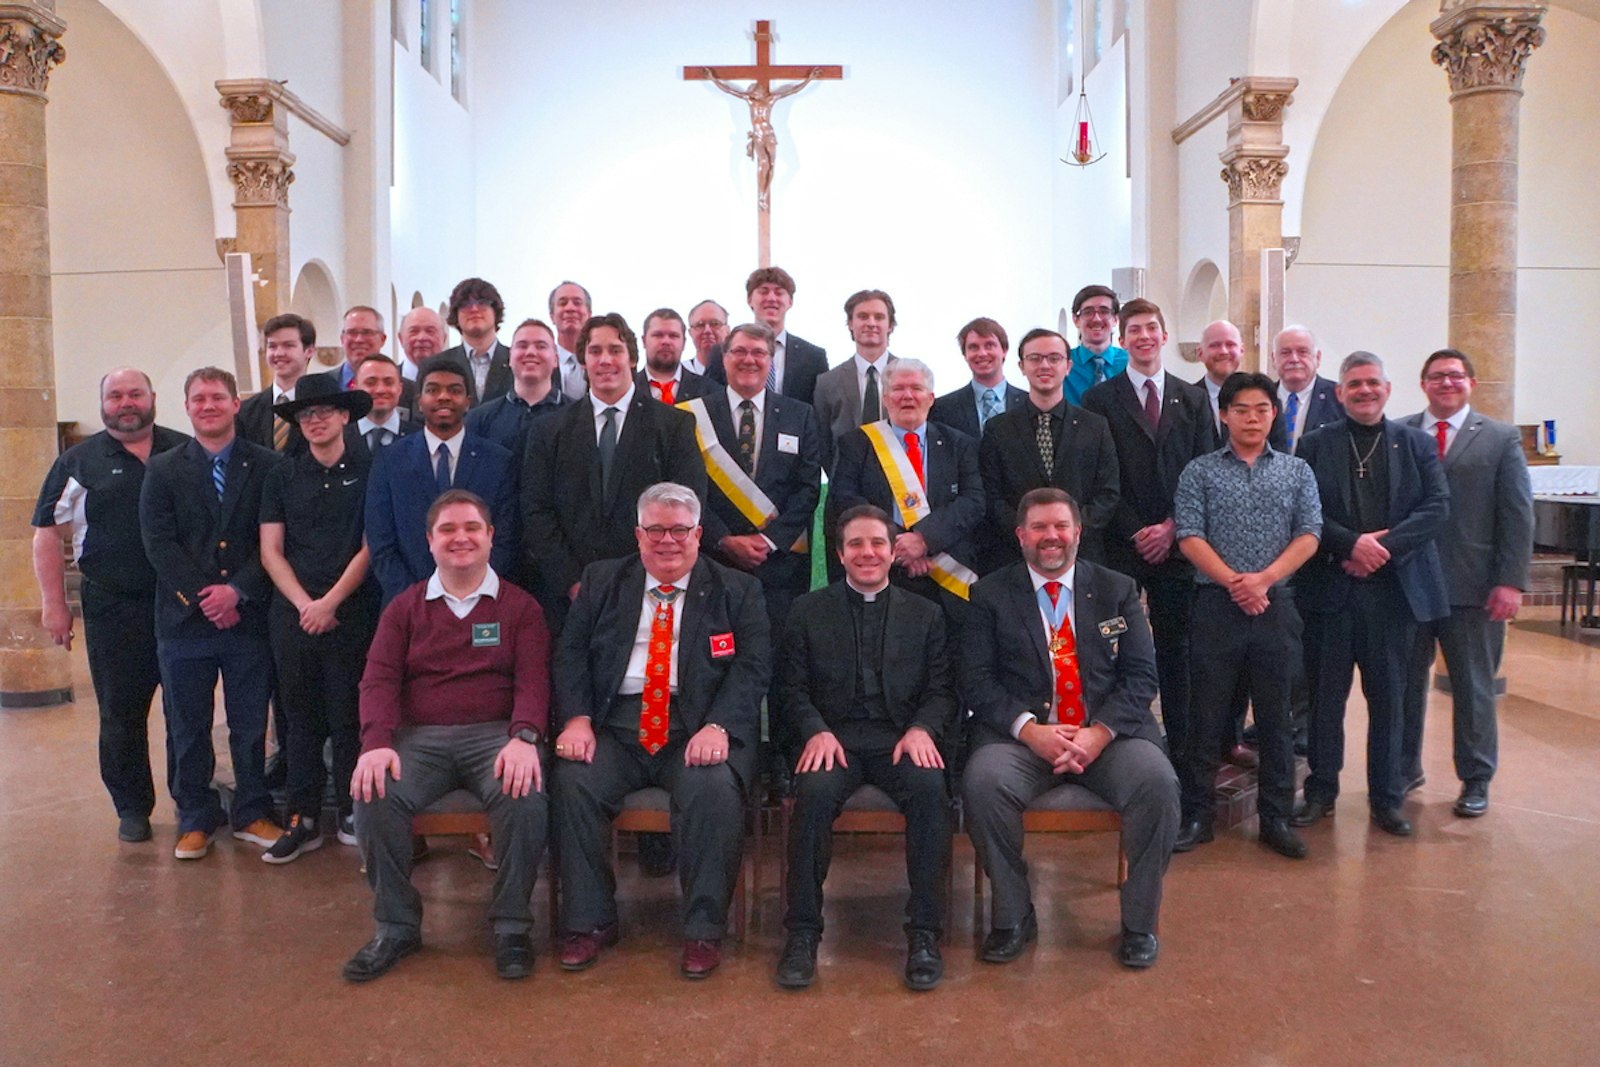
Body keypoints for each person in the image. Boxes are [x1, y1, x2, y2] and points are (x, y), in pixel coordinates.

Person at [551, 482, 769, 979]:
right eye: (655, 530)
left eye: (678, 530)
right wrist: (578, 718)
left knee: (712, 790)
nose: (666, 541)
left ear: (698, 534)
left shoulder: (737, 589)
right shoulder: (603, 580)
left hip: (697, 725)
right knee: (572, 781)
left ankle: (702, 930)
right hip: (616, 723)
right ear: (638, 533)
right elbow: (570, 655)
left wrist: (719, 725)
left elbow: (753, 667)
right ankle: (590, 922)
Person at [962, 488, 1180, 968]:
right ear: (1020, 535)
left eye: (1060, 526)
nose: (1051, 537)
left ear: (1078, 532)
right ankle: (1014, 915)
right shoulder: (988, 594)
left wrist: (1097, 733)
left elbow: (1141, 676)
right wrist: (1029, 730)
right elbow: (976, 682)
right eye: (1038, 527)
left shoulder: (1117, 589)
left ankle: (1139, 923)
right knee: (983, 782)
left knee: (1159, 784)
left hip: (1108, 735)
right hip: (1023, 738)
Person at [342, 490, 552, 983]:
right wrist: (375, 744)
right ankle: (396, 926)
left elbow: (535, 680)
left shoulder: (520, 607)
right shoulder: (404, 608)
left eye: (472, 528)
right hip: (420, 740)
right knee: (373, 795)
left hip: (496, 738)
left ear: (490, 537)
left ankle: (511, 926)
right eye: (448, 530)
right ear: (429, 542)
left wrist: (524, 736)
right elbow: (378, 679)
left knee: (525, 796)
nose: (461, 538)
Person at [775, 505, 957, 991]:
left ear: (893, 550)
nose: (867, 553)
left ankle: (924, 933)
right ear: (839, 553)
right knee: (811, 797)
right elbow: (790, 689)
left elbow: (942, 690)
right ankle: (803, 933)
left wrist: (922, 729)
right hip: (833, 740)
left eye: (877, 542)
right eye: (855, 544)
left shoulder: (927, 614)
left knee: (930, 792)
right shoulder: (807, 611)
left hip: (900, 739)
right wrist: (814, 729)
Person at [1292, 353, 1450, 838]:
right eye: (1354, 384)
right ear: (1339, 392)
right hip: (1331, 591)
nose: (1364, 391)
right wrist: (1349, 546)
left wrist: (1380, 548)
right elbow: (1303, 508)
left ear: (1387, 388)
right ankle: (1321, 789)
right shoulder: (1315, 444)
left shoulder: (1415, 443)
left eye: (1372, 383)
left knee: (1391, 701)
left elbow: (1437, 506)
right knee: (1325, 700)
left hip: (1393, 595)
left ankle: (1387, 796)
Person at [32, 368, 188, 842]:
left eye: (135, 393)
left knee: (186, 711)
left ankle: (192, 802)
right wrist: (54, 605)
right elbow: (46, 535)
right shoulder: (79, 461)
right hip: (112, 608)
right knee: (122, 714)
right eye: (116, 395)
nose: (126, 402)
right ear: (102, 404)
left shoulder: (183, 451)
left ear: (153, 398)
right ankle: (132, 808)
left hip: (181, 606)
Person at [1171, 371, 1321, 859]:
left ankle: (1275, 817)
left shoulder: (1297, 471)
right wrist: (1235, 582)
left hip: (1276, 605)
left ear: (1273, 413)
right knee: (1206, 716)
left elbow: (1310, 534)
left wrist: (1263, 580)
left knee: (1276, 718)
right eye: (1241, 410)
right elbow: (1189, 534)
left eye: (1261, 409)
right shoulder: (1199, 471)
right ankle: (1197, 814)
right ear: (1223, 415)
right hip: (1216, 605)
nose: (1251, 418)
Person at [139, 367, 285, 859]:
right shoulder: (162, 469)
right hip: (184, 623)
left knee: (249, 724)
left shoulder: (266, 465)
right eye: (199, 398)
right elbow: (159, 544)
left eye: (217, 397)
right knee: (188, 724)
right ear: (186, 407)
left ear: (235, 403)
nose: (208, 405)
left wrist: (237, 592)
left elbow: (273, 540)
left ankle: (252, 811)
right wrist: (205, 595)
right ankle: (195, 817)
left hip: (248, 620)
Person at [1082, 299, 1217, 767]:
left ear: (1164, 336)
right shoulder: (1099, 400)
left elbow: (1204, 473)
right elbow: (1100, 476)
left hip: (1181, 547)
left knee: (1177, 653)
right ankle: (1116, 748)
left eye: (1151, 328)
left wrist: (1172, 527)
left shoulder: (1194, 399)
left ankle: (1180, 751)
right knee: (1112, 649)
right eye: (1134, 329)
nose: (1143, 336)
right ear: (1123, 340)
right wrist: (1138, 529)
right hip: (1120, 547)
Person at [1400, 349, 1533, 818]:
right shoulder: (1401, 432)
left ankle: (1476, 778)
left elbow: (1517, 514)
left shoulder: (1499, 438)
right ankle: (1402, 769)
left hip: (1473, 587)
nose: (1446, 383)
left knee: (1473, 687)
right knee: (1403, 685)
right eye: (1436, 376)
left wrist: (1510, 582)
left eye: (1455, 376)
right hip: (1408, 585)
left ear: (1471, 383)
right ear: (1423, 384)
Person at [521, 312, 706, 630]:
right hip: (570, 597)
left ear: (633, 358)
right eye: (595, 351)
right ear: (583, 361)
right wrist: (573, 581)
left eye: (615, 350)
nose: (605, 360)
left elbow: (688, 504)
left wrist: (646, 578)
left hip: (651, 590)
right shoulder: (548, 430)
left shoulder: (673, 425)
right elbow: (536, 511)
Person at [258, 374, 378, 861]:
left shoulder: (373, 470)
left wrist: (330, 603)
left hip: (354, 611)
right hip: (294, 616)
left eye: (326, 411)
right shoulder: (282, 476)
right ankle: (303, 817)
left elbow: (373, 544)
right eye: (307, 414)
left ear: (345, 415)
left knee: (350, 715)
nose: (316, 420)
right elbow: (270, 551)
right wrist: (306, 604)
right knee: (300, 718)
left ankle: (353, 809)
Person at [828, 358, 985, 624]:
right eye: (899, 389)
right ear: (886, 398)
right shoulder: (856, 444)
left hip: (947, 574)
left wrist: (924, 540)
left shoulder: (959, 444)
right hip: (883, 570)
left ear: (931, 398)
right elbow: (846, 499)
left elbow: (973, 501)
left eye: (916, 388)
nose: (908, 396)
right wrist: (899, 544)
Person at [365, 356, 519, 605]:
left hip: (481, 601)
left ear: (468, 402)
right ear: (419, 401)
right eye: (433, 390)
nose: (443, 397)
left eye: (454, 390)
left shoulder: (498, 461)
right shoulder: (390, 460)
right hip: (408, 604)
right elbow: (381, 542)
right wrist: (418, 599)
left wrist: (469, 591)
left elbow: (505, 539)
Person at [979, 328, 1120, 565]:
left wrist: (1070, 531)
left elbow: (1108, 492)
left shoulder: (1095, 426)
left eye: (1054, 358)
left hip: (1083, 555)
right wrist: (1030, 533)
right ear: (1022, 366)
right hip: (1016, 556)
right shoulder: (998, 429)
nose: (1045, 365)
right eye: (1035, 358)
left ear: (1068, 366)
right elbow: (992, 495)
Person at [702, 267, 829, 405]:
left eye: (779, 293)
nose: (771, 298)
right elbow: (711, 399)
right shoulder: (721, 352)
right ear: (750, 300)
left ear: (790, 302)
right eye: (763, 292)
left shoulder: (813, 357)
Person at [703, 67, 823, 209]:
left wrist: (809, 79)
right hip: (758, 137)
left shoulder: (771, 99)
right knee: (764, 162)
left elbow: (793, 90)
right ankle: (761, 195)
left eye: (756, 90)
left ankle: (765, 193)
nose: (753, 92)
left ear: (763, 91)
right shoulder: (750, 101)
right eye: (753, 90)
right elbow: (728, 90)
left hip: (770, 136)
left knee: (773, 165)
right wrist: (712, 79)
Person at [811, 288, 898, 470]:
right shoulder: (827, 382)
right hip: (845, 485)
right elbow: (822, 443)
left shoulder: (909, 376)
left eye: (879, 317)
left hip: (901, 484)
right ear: (850, 323)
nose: (871, 323)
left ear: (890, 325)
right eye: (863, 316)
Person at [465, 318, 570, 457]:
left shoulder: (579, 417)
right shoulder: (479, 420)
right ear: (509, 358)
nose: (531, 352)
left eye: (541, 346)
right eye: (522, 346)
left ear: (556, 359)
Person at [236, 312, 328, 454]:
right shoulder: (246, 411)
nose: (278, 353)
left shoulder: (325, 409)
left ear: (309, 351)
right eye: (272, 346)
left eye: (288, 346)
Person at [929, 316, 1028, 443]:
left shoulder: (1028, 404)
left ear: (1004, 350)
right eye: (973, 347)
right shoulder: (942, 409)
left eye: (989, 345)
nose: (982, 353)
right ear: (965, 355)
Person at [437, 277, 511, 406]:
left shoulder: (516, 361)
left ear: (495, 310)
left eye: (482, 303)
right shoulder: (438, 364)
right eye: (465, 304)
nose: (474, 309)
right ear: (456, 315)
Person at [1270, 325, 1341, 453]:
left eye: (1302, 352)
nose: (1294, 359)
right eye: (1285, 353)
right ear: (1274, 359)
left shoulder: (1339, 397)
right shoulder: (1264, 397)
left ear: (1317, 358)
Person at [1062, 285, 1128, 404]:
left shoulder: (1130, 364)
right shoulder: (1062, 363)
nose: (1096, 318)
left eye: (1104, 311)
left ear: (1115, 319)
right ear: (1076, 320)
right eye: (1088, 312)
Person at [635, 308, 714, 405]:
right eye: (658, 335)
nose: (666, 341)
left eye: (673, 336)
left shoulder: (710, 392)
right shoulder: (625, 390)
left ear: (684, 343)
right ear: (644, 341)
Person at [353, 355, 419, 454]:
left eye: (388, 383)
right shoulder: (338, 437)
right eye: (371, 383)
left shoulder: (419, 438)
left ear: (399, 389)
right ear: (355, 389)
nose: (380, 390)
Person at [548, 280, 592, 400]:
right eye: (563, 303)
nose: (570, 308)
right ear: (552, 316)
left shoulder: (600, 362)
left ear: (589, 314)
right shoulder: (543, 363)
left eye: (577, 303)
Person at [1197, 320, 1243, 433]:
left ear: (1241, 351)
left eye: (1230, 344)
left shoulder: (1262, 399)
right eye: (1215, 345)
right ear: (1200, 353)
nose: (1223, 351)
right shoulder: (1185, 402)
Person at [396, 306, 448, 380]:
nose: (421, 338)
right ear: (401, 339)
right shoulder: (387, 382)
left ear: (444, 339)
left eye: (430, 331)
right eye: (414, 331)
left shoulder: (458, 379)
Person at [685, 299, 730, 377]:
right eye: (700, 325)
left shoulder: (738, 375)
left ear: (727, 330)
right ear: (690, 332)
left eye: (715, 324)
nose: (707, 330)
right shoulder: (679, 374)